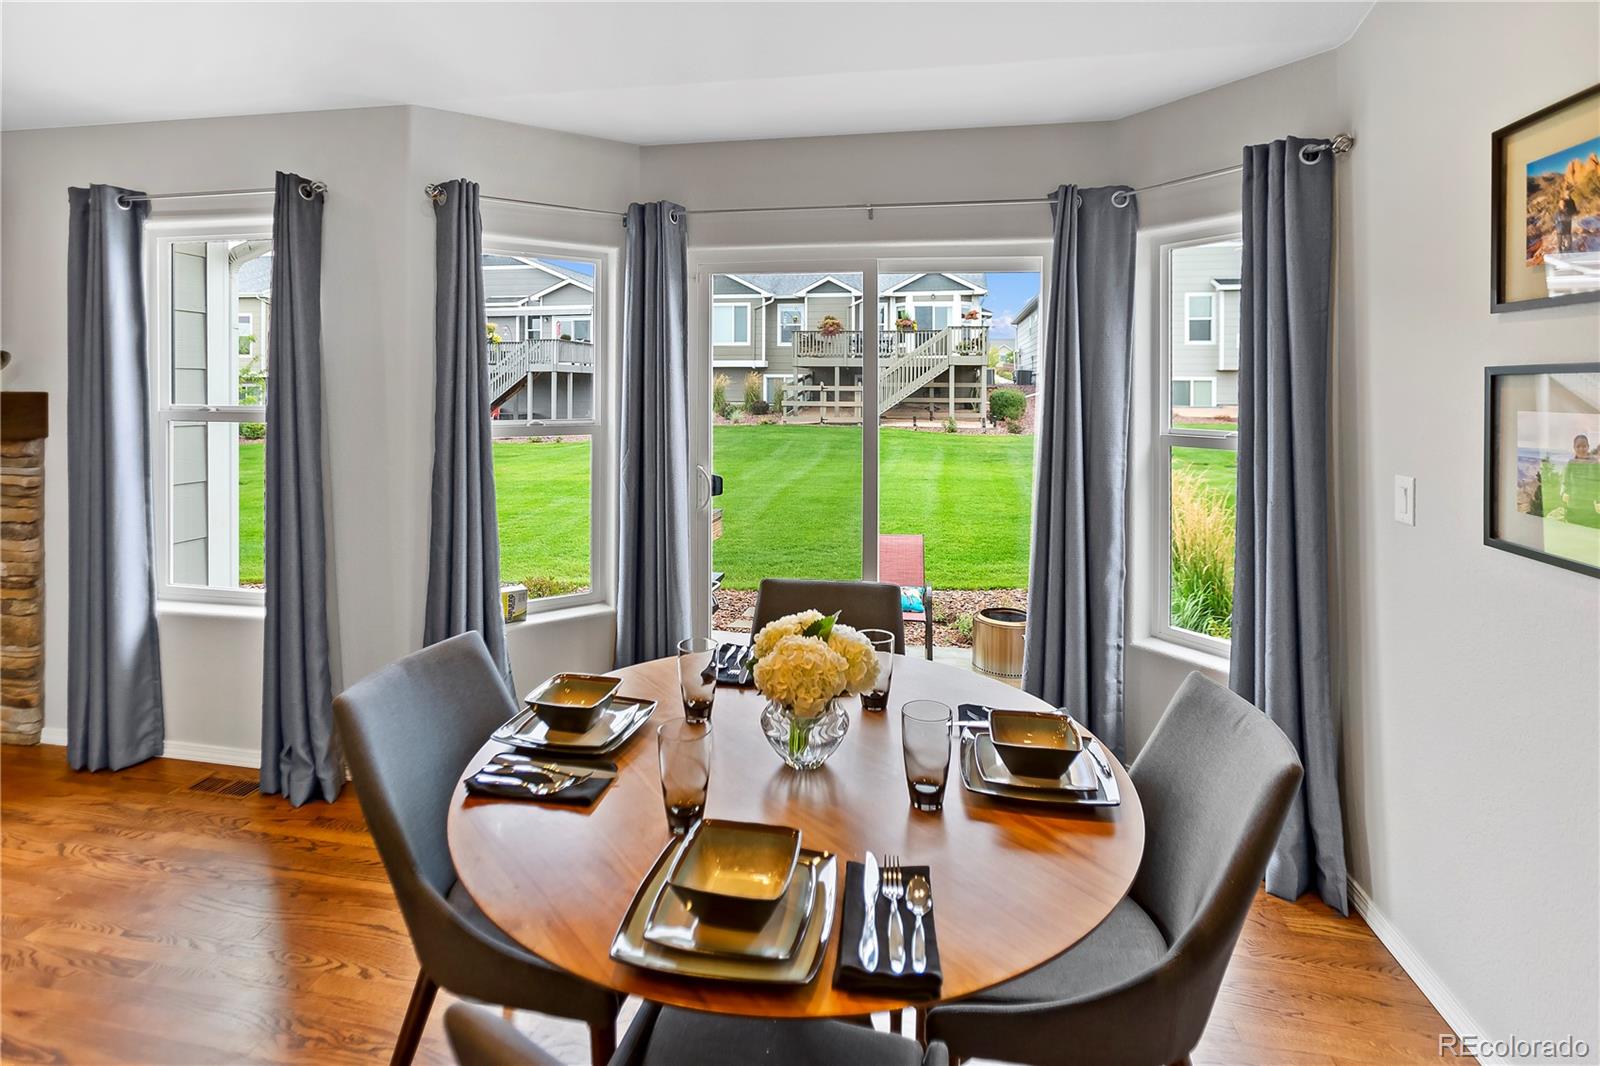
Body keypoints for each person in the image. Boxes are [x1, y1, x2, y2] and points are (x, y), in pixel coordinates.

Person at [1561, 433, 1600, 528]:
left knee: (1589, 527)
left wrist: (1598, 500)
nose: (1581, 449)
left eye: (1584, 446)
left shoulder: (1594, 463)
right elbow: (1565, 480)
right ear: (1574, 447)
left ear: (1588, 447)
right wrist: (1565, 492)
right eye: (1578, 446)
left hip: (1590, 503)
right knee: (1573, 526)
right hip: (1574, 502)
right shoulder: (1571, 463)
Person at [1555, 185, 1579, 254]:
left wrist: (1575, 213)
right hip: (1562, 220)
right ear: (1565, 193)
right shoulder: (1562, 200)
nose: (1568, 194)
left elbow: (1574, 209)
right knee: (1560, 233)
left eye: (1569, 193)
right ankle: (1560, 248)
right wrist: (1562, 216)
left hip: (1568, 219)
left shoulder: (1572, 201)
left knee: (1568, 233)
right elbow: (1560, 209)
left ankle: (1569, 247)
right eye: (1567, 193)